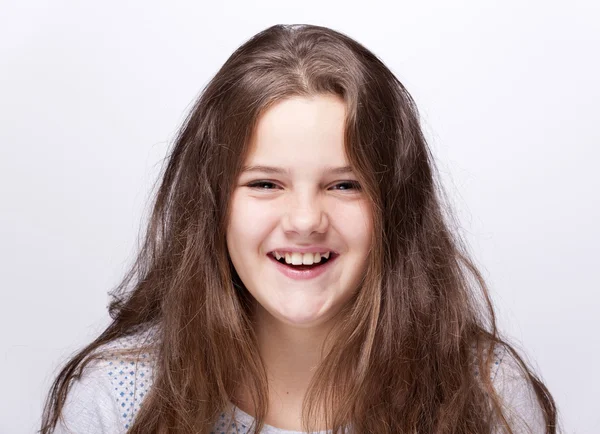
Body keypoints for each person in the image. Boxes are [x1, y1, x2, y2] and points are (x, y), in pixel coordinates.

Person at [40, 24, 558, 434]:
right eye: (265, 184)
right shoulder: (117, 399)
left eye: (345, 186)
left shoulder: (485, 394)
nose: (306, 220)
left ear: (396, 206)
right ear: (213, 206)